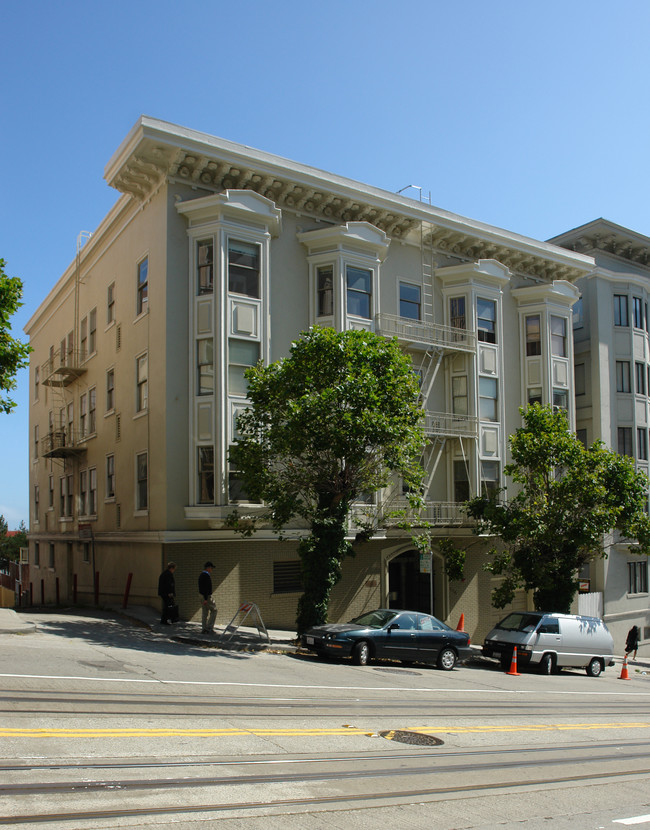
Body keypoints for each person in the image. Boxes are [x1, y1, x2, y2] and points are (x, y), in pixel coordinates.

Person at [199, 561, 217, 634]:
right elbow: (206, 588)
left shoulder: (201, 575)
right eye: (211, 568)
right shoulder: (206, 576)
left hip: (201, 595)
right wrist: (206, 598)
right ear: (208, 568)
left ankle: (204, 628)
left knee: (205, 611)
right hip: (206, 596)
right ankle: (209, 627)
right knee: (214, 610)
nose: (212, 570)